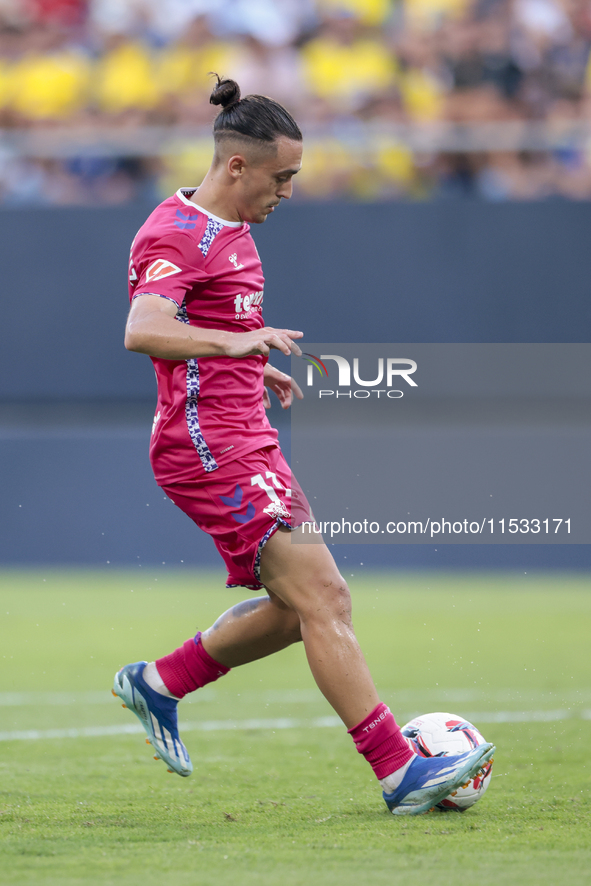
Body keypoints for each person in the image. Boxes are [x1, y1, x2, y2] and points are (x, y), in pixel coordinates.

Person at [113, 75, 494, 816]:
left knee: (297, 611)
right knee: (326, 597)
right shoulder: (175, 233)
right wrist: (237, 343)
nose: (287, 191)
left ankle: (158, 682)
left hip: (243, 434)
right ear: (235, 167)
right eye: (281, 176)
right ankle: (398, 772)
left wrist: (251, 370)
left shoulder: (236, 234)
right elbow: (142, 329)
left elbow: (208, 337)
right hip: (207, 450)